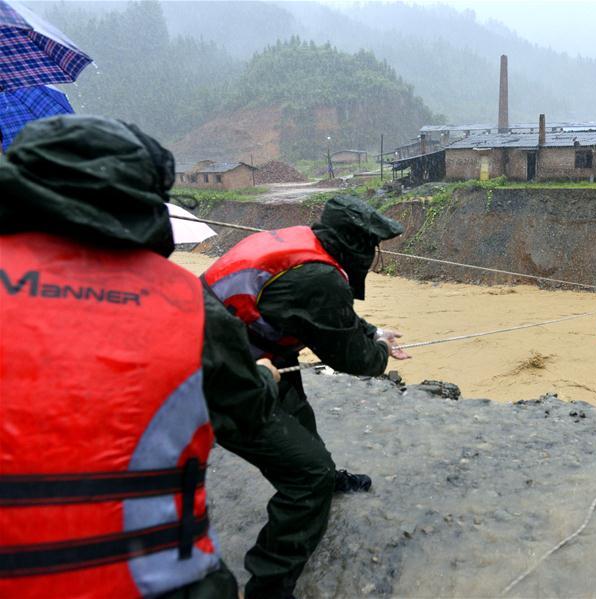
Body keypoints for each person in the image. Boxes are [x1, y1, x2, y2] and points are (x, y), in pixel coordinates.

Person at [0, 115, 282, 598]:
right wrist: (268, 381)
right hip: (160, 585)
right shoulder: (192, 304)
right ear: (148, 200)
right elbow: (243, 416)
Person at [201, 195, 409, 599]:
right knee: (306, 476)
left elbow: (330, 316)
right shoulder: (319, 279)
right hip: (219, 376)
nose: (373, 254)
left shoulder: (303, 245)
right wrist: (378, 350)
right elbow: (353, 359)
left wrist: (372, 330)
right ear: (353, 245)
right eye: (371, 247)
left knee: (297, 416)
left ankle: (324, 478)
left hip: (242, 350)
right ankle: (270, 587)